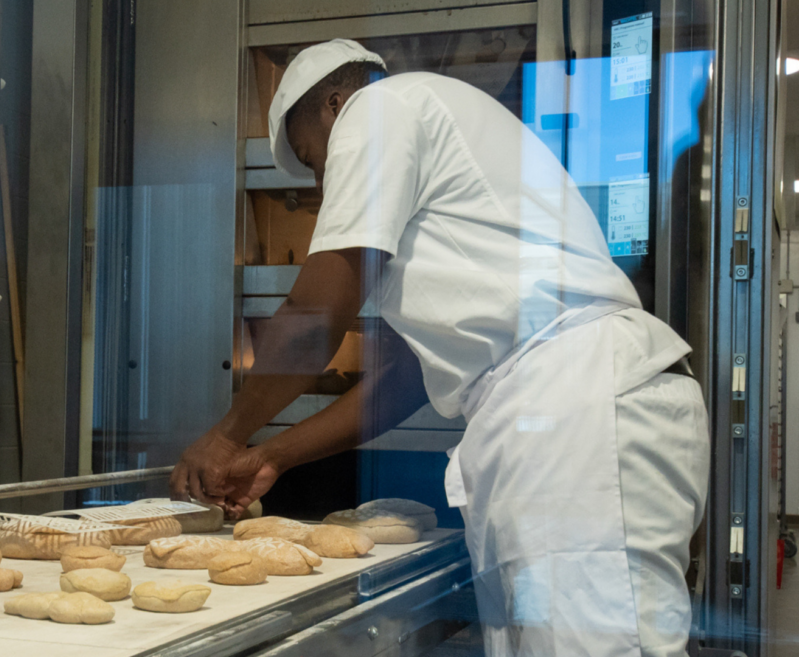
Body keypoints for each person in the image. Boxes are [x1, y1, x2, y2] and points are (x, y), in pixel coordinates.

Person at [169, 39, 709, 657]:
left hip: (576, 412)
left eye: (314, 160)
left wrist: (226, 435)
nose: (323, 183)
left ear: (335, 103)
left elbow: (315, 317)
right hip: (570, 413)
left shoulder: (380, 111)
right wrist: (274, 457)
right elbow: (401, 380)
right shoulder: (444, 159)